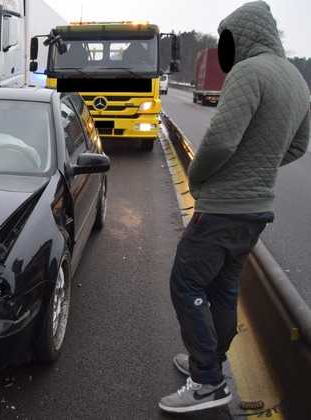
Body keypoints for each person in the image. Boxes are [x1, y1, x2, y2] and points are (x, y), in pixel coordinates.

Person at [159, 1, 310, 413]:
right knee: (223, 289)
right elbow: (298, 145)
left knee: (186, 284)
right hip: (256, 210)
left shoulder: (249, 71)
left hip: (224, 206)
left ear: (242, 35)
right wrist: (258, 166)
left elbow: (221, 141)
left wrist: (199, 178)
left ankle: (207, 381)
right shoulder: (296, 81)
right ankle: (209, 360)